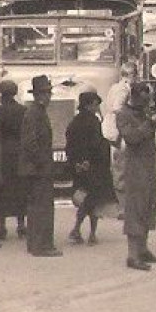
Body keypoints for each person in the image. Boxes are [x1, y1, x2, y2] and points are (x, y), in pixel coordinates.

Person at [116, 82, 156, 271]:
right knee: (135, 208)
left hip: (148, 164)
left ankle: (143, 249)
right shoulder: (123, 115)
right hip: (135, 166)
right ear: (134, 97)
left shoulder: (142, 111)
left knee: (148, 205)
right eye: (143, 100)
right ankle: (133, 255)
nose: (146, 104)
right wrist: (150, 123)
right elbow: (132, 138)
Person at [19, 74, 62, 257]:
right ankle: (41, 244)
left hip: (36, 167)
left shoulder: (36, 112)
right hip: (38, 168)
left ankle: (38, 243)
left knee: (38, 206)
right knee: (41, 207)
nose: (49, 97)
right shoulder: (35, 113)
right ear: (39, 95)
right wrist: (42, 163)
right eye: (46, 93)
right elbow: (31, 143)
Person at [66, 91, 114, 246]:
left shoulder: (74, 122)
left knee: (85, 198)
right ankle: (87, 232)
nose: (97, 106)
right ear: (89, 105)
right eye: (95, 104)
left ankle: (79, 230)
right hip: (94, 166)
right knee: (93, 199)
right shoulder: (93, 122)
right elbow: (96, 145)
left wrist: (76, 162)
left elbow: (70, 146)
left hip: (79, 166)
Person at [0, 79, 28, 241]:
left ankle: (3, 226)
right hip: (20, 151)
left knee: (2, 189)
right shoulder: (23, 110)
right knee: (20, 188)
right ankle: (21, 224)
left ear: (3, 96)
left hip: (4, 153)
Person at [101, 64, 137, 211]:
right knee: (121, 167)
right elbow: (117, 107)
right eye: (135, 75)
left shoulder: (114, 87)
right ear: (131, 75)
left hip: (110, 130)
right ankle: (123, 207)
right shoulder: (124, 89)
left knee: (117, 165)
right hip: (118, 132)